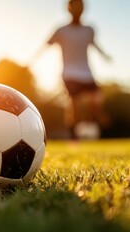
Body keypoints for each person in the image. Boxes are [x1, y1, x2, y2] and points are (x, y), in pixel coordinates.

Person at [33, 0, 111, 139]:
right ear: (69, 9)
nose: (77, 9)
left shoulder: (89, 30)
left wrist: (105, 55)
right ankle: (73, 135)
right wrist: (32, 60)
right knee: (74, 105)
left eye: (80, 6)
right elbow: (46, 44)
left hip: (87, 73)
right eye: (74, 6)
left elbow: (94, 44)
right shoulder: (61, 30)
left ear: (83, 9)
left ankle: (91, 124)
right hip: (69, 73)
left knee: (96, 101)